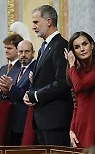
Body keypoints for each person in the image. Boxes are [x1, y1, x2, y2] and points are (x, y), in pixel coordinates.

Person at [23, 5, 73, 146]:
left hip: (55, 120)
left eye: (36, 22)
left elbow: (63, 82)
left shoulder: (60, 45)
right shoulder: (44, 47)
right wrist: (30, 93)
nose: (33, 26)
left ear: (49, 21)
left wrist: (36, 95)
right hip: (43, 119)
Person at [64, 31, 95, 148]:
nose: (82, 49)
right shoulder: (77, 72)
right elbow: (77, 104)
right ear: (73, 51)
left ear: (92, 45)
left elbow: (80, 86)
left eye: (84, 44)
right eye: (77, 47)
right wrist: (71, 129)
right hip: (80, 125)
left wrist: (71, 65)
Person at [0, 40, 36, 145]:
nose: (23, 55)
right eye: (20, 52)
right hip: (13, 121)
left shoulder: (36, 68)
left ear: (33, 52)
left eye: (27, 51)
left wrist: (11, 87)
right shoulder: (16, 70)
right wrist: (5, 91)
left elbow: (29, 93)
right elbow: (11, 93)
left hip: (27, 122)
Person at [0, 34, 23, 100]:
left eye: (9, 48)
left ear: (18, 49)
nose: (6, 51)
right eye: (5, 48)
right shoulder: (3, 68)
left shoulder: (22, 68)